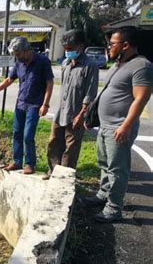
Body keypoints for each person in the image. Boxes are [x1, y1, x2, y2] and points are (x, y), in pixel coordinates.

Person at [81, 26, 153, 223]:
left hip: (119, 127)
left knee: (117, 169)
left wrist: (126, 126)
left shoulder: (142, 66)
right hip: (105, 126)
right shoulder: (118, 65)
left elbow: (141, 99)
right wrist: (93, 117)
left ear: (126, 45)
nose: (109, 47)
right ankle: (103, 195)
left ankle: (113, 208)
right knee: (104, 164)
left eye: (112, 43)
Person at [0, 37, 54, 175]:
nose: (17, 57)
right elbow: (10, 79)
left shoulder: (42, 61)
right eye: (15, 55)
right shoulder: (19, 63)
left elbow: (49, 83)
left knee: (28, 135)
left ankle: (29, 163)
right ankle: (17, 162)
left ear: (27, 50)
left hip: (35, 104)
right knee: (17, 133)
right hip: (21, 103)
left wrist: (45, 104)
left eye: (18, 54)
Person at [44, 29, 99, 180]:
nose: (67, 52)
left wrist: (81, 115)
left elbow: (90, 94)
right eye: (65, 49)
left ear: (80, 46)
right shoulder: (65, 63)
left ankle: (64, 177)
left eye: (70, 49)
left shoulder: (90, 66)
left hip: (76, 114)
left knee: (71, 148)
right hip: (61, 112)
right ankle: (53, 172)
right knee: (54, 143)